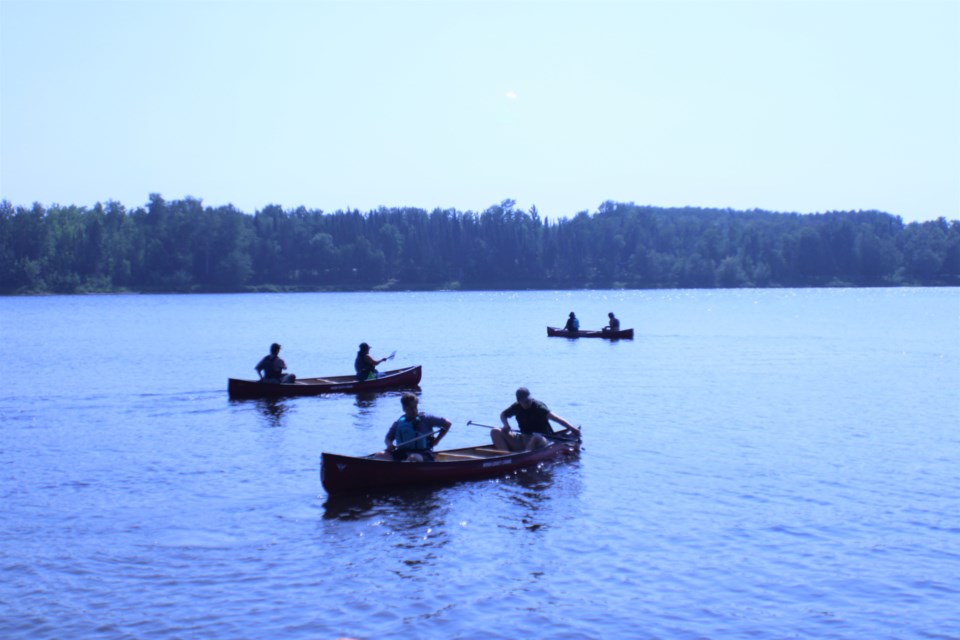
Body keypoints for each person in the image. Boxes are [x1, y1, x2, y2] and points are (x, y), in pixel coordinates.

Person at [492, 387, 580, 452]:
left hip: (542, 440)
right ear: (519, 401)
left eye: (529, 400)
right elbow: (503, 415)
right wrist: (506, 425)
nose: (528, 402)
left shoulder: (539, 407)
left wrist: (572, 429)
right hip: (523, 438)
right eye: (525, 401)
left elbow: (557, 419)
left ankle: (524, 457)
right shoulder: (516, 407)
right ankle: (506, 457)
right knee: (495, 431)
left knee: (536, 437)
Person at [376, 392, 452, 462]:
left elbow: (447, 423)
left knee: (413, 458)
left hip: (423, 454)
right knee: (380, 455)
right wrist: (389, 444)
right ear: (404, 409)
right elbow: (388, 438)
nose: (414, 410)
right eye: (410, 408)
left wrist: (436, 441)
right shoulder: (399, 422)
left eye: (415, 407)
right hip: (402, 453)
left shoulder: (426, 419)